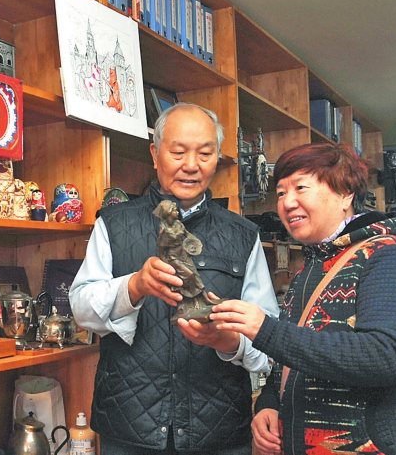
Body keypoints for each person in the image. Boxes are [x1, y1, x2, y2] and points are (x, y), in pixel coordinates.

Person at [210, 143, 396, 454]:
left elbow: (387, 356)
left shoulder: (391, 256)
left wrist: (265, 330)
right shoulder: (312, 268)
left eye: (301, 188)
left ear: (345, 194)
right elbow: (291, 359)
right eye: (281, 192)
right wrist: (269, 404)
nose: (287, 202)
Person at [69, 103, 279, 454]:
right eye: (178, 152)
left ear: (217, 159)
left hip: (219, 433)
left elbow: (269, 335)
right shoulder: (114, 223)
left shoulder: (243, 234)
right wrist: (134, 286)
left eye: (205, 154)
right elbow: (81, 310)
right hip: (130, 429)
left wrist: (230, 342)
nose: (191, 165)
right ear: (155, 154)